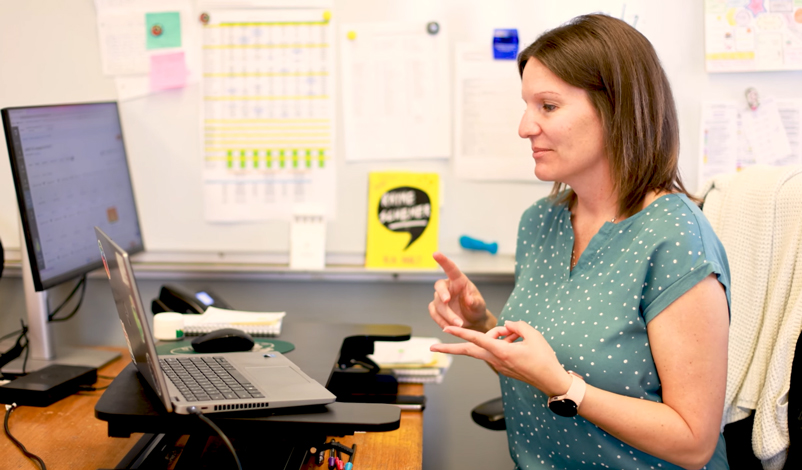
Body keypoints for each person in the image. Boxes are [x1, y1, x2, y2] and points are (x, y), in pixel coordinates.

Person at [429, 14, 731, 470]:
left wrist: (564, 386)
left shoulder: (675, 237)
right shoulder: (542, 222)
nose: (525, 127)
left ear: (617, 109)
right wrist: (483, 321)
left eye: (548, 106)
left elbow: (693, 442)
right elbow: (537, 367)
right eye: (527, 106)